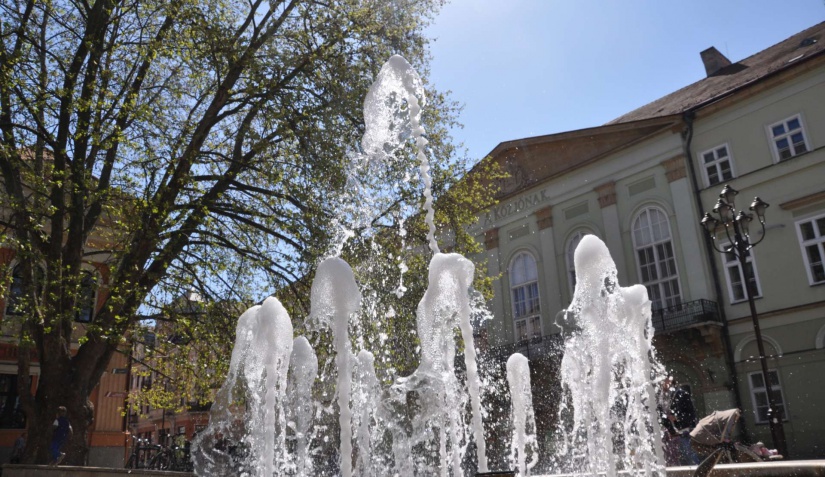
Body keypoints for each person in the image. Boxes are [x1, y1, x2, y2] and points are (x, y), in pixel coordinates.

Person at [669, 384, 700, 465]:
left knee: (689, 454)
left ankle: (698, 469)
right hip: (675, 433)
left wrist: (677, 418)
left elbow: (691, 415)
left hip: (685, 431)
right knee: (681, 457)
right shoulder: (667, 396)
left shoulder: (682, 395)